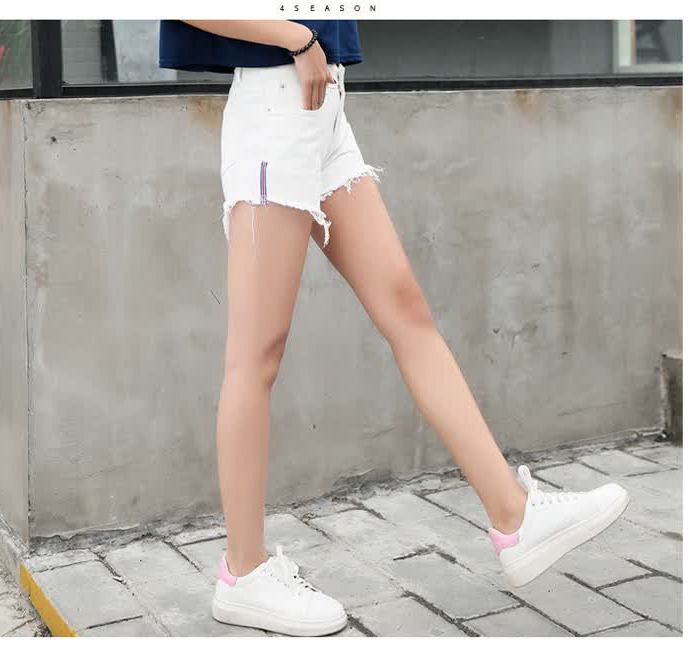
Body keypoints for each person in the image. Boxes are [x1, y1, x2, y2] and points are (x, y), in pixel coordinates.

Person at [158, 19, 630, 637]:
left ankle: (514, 517)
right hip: (275, 107)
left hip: (325, 109)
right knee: (256, 354)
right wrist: (298, 40)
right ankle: (243, 573)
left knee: (407, 311)